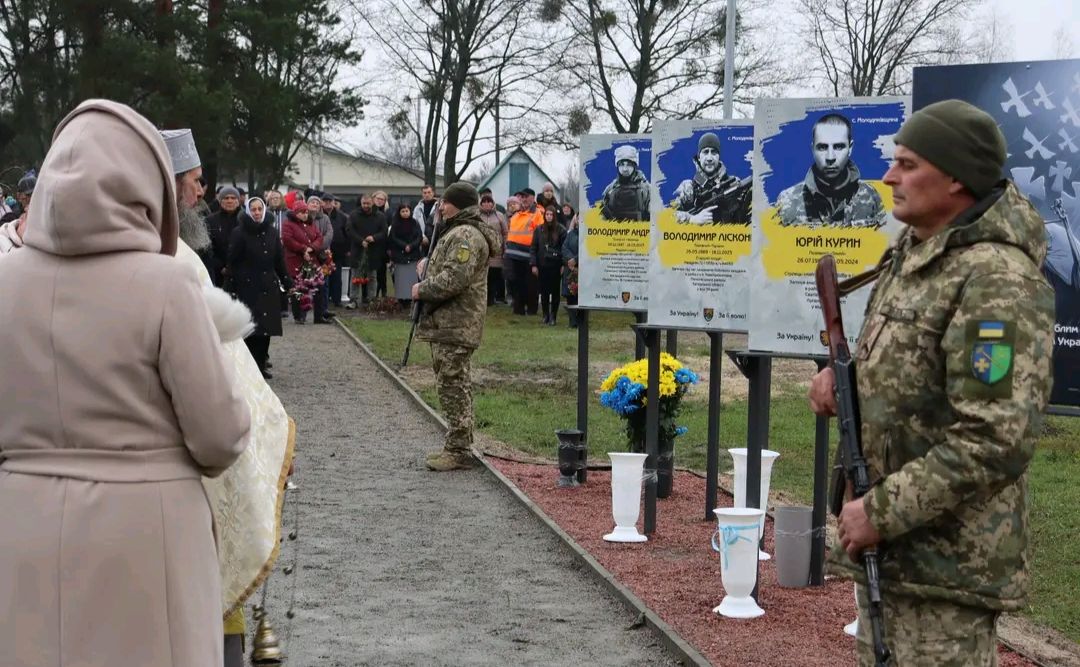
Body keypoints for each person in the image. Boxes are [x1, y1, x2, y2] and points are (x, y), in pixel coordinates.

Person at [0, 99, 251, 667]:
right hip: (146, 529)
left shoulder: (4, 278)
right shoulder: (167, 283)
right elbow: (218, 436)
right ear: (148, 184)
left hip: (21, 523)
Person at [807, 100, 1054, 666]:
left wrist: (881, 511)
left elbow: (995, 438)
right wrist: (838, 382)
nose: (889, 176)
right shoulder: (918, 256)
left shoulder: (996, 279)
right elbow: (905, 371)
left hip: (945, 568)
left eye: (909, 164)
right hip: (896, 559)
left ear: (957, 177)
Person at [161, 128, 293, 667]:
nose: (201, 193)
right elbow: (220, 398)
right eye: (192, 183)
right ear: (166, 186)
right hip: (166, 481)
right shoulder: (174, 263)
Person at [411, 182, 499, 472]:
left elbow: (455, 279)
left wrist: (421, 289)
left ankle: (459, 449)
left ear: (457, 204)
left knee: (452, 384)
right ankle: (459, 443)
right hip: (450, 323)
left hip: (457, 323)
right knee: (454, 383)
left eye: (445, 202)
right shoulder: (458, 231)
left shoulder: (464, 234)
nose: (440, 207)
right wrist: (429, 266)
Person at [777, 113, 887, 228]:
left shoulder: (871, 196)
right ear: (813, 149)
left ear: (850, 148)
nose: (830, 157)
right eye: (822, 147)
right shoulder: (787, 202)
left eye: (839, 147)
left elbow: (885, 243)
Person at [228, 197, 292, 378]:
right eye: (253, 209)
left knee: (266, 329)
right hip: (247, 286)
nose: (256, 213)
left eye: (259, 209)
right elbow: (232, 261)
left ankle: (261, 363)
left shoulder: (272, 232)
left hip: (268, 286)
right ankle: (250, 368)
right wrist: (230, 286)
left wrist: (287, 280)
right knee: (251, 329)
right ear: (248, 211)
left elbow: (279, 259)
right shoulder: (239, 233)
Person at [672, 132, 751, 224]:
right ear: (699, 157)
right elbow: (666, 216)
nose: (709, 158)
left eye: (714, 152)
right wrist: (692, 219)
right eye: (705, 152)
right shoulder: (687, 188)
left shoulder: (733, 183)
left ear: (718, 156)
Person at [282, 199, 326, 324]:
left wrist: (312, 248)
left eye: (306, 212)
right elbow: (287, 239)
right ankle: (299, 316)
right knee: (299, 289)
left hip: (312, 260)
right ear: (295, 213)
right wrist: (303, 249)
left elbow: (319, 237)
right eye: (301, 212)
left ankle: (319, 316)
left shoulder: (311, 223)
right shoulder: (288, 224)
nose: (305, 214)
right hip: (295, 261)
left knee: (319, 288)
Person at [505, 189, 543, 315]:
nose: (524, 199)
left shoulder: (537, 214)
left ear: (533, 198)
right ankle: (518, 308)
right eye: (522, 197)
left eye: (526, 197)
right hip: (513, 255)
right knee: (516, 283)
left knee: (531, 285)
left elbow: (540, 235)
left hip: (528, 255)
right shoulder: (515, 214)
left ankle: (532, 309)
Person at [346, 194, 388, 307]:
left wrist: (374, 238)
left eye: (368, 203)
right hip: (357, 250)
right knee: (355, 276)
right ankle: (353, 300)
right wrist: (360, 241)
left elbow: (384, 232)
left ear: (372, 203)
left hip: (373, 250)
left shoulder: (380, 216)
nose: (365, 206)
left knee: (372, 277)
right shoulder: (354, 215)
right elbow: (349, 230)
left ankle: (371, 299)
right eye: (363, 203)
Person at [531, 206, 567, 325]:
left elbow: (564, 248)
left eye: (551, 215)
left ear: (554, 216)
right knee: (544, 292)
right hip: (542, 265)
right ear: (544, 215)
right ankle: (545, 315)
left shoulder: (561, 230)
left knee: (555, 292)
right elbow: (533, 248)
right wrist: (534, 264)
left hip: (555, 266)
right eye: (547, 214)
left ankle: (553, 316)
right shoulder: (539, 229)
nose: (549, 217)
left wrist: (563, 264)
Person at [204, 186, 243, 286]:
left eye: (233, 198)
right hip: (219, 274)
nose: (229, 201)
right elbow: (208, 248)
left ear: (238, 201)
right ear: (220, 201)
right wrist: (221, 267)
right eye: (226, 198)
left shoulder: (245, 220)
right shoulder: (210, 221)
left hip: (243, 273)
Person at [600, 145, 650, 221]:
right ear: (617, 166)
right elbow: (599, 218)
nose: (625, 169)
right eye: (622, 164)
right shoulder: (610, 189)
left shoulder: (646, 189)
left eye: (629, 165)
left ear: (634, 166)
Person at [387, 202, 423, 307]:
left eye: (407, 211)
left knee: (412, 277)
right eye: (403, 211)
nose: (405, 213)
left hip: (413, 254)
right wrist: (404, 246)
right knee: (400, 278)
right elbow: (393, 238)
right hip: (399, 255)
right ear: (399, 212)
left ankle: (411, 299)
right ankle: (402, 300)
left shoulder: (415, 223)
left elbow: (419, 237)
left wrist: (411, 246)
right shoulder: (395, 224)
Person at [306, 194, 335, 322]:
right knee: (306, 283)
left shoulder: (325, 218)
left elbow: (329, 234)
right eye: (312, 202)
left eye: (317, 203)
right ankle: (304, 310)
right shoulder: (303, 217)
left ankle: (323, 310)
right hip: (307, 254)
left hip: (323, 254)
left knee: (324, 283)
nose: (315, 205)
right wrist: (310, 247)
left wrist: (317, 246)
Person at [322, 193, 351, 308]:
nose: (328, 203)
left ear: (334, 203)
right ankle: (324, 299)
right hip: (322, 251)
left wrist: (347, 249)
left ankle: (336, 299)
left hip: (338, 250)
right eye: (325, 201)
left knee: (336, 276)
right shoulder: (318, 216)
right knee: (323, 276)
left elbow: (347, 234)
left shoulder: (342, 217)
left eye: (330, 201)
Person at [479, 192, 508, 305]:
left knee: (495, 275)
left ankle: (493, 298)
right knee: (483, 276)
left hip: (496, 251)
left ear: (492, 203)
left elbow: (505, 233)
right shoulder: (477, 215)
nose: (487, 204)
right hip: (482, 251)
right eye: (484, 202)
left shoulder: (499, 215)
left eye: (489, 202)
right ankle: (484, 299)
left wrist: (505, 247)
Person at [562, 213, 581, 328]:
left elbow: (588, 249)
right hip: (570, 269)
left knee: (580, 296)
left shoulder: (589, 234)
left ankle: (580, 321)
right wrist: (570, 260)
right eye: (578, 218)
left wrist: (576, 260)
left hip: (581, 269)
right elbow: (564, 248)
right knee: (571, 295)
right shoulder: (570, 234)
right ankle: (572, 321)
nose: (580, 220)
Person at [414, 184, 439, 248]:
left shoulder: (439, 206)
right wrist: (422, 236)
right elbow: (414, 224)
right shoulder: (417, 208)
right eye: (424, 193)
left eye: (429, 192)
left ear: (433, 193)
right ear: (422, 194)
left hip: (436, 239)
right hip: (422, 240)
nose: (427, 195)